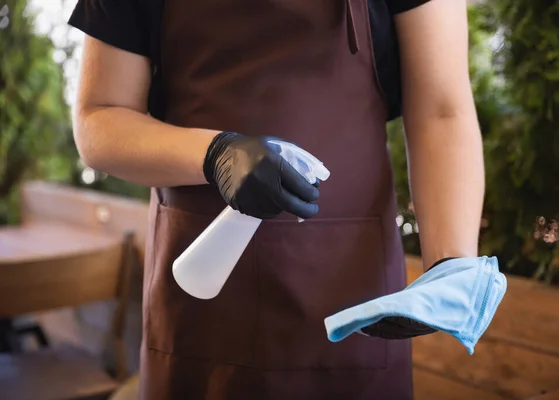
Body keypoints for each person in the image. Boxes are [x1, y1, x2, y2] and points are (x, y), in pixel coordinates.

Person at [68, 0, 484, 398]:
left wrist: (449, 264)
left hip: (352, 296)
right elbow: (100, 117)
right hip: (203, 304)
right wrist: (215, 154)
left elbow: (441, 108)